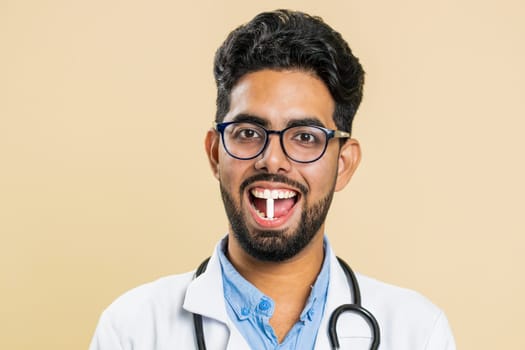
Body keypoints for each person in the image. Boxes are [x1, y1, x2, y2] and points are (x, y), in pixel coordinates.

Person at [89, 9, 456, 349]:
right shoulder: (133, 329)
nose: (273, 160)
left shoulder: (417, 332)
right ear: (216, 152)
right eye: (248, 132)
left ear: (343, 164)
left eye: (305, 137)